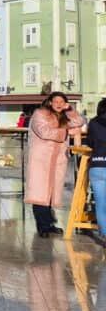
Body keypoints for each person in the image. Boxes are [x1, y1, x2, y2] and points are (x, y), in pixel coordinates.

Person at [26, 91, 84, 238]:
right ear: (50, 102)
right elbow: (44, 132)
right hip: (41, 159)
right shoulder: (40, 114)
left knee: (52, 193)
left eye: (62, 102)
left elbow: (79, 122)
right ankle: (43, 226)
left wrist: (69, 110)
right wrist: (66, 132)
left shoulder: (63, 115)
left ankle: (50, 223)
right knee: (40, 193)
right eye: (56, 101)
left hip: (57, 160)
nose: (58, 104)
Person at [85, 98, 106, 248]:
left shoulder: (93, 123)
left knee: (100, 204)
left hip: (97, 165)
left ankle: (105, 235)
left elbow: (90, 142)